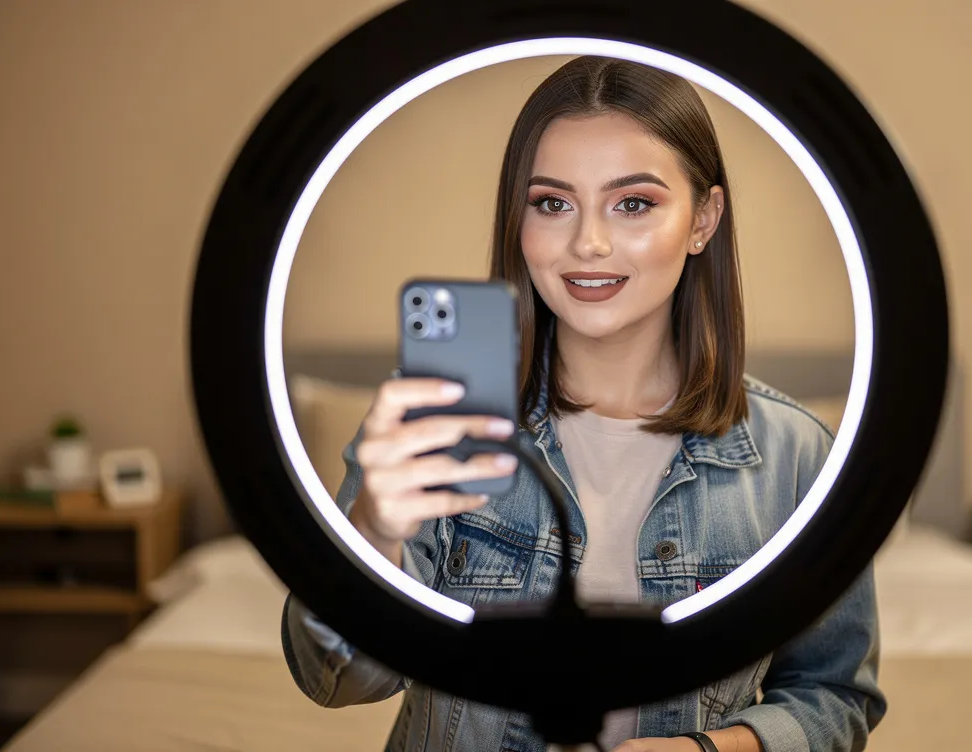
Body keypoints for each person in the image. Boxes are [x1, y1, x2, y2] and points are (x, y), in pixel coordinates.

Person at [281, 55, 884, 752]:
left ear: (703, 219)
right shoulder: (438, 415)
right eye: (552, 203)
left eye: (633, 203)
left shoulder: (796, 455)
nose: (587, 243)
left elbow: (834, 695)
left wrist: (709, 751)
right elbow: (335, 681)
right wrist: (373, 530)